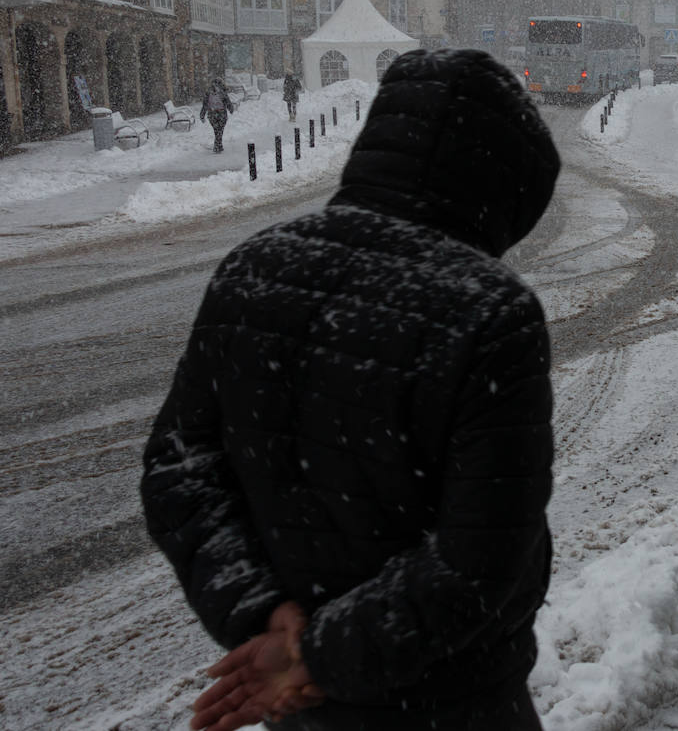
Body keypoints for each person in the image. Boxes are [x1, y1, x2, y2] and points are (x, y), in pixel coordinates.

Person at [143, 49, 561, 731]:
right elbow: (480, 555)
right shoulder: (490, 310)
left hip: (298, 699)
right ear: (500, 187)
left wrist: (264, 614)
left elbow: (179, 469)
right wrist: (319, 653)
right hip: (456, 701)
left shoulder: (254, 269)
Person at [200, 79, 235, 153]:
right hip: (221, 114)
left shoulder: (208, 92)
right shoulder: (222, 92)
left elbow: (205, 105)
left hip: (212, 114)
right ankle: (217, 146)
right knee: (220, 130)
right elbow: (227, 101)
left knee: (216, 130)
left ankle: (218, 145)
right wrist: (231, 109)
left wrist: (202, 115)